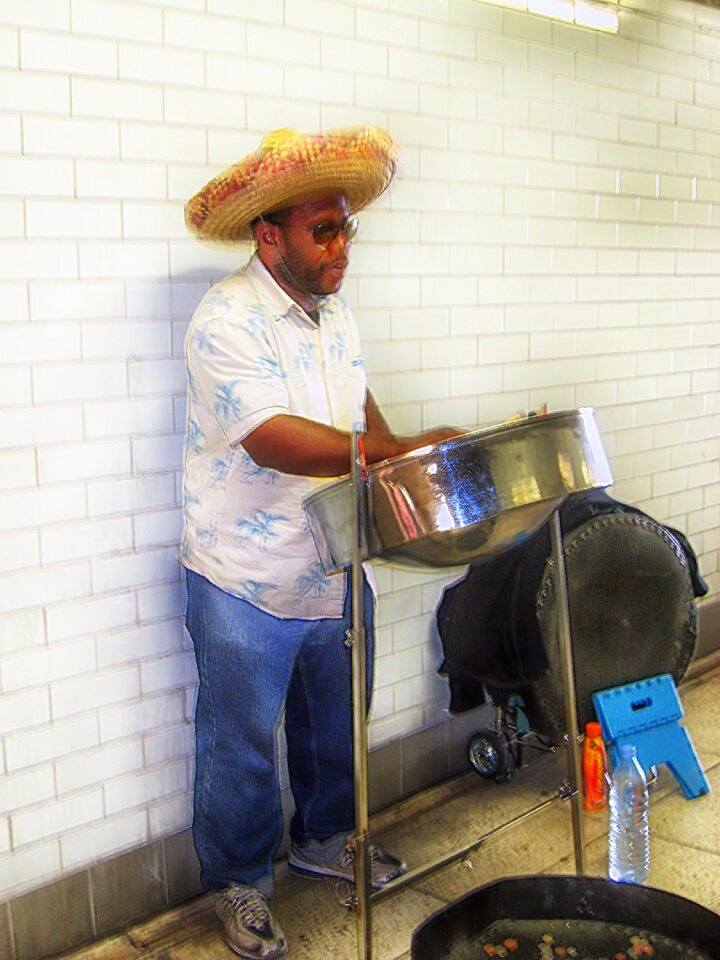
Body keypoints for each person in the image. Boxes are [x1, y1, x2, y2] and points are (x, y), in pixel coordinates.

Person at [181, 127, 458, 959]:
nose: (342, 248)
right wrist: (386, 452)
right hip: (243, 576)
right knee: (240, 744)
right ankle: (240, 882)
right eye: (323, 231)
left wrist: (396, 449)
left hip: (334, 565)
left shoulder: (335, 314)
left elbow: (354, 407)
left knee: (336, 726)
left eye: (347, 229)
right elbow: (269, 437)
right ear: (270, 235)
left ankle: (327, 839)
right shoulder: (226, 317)